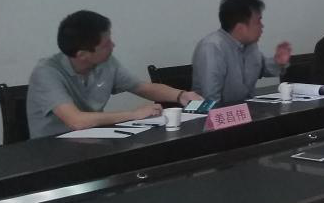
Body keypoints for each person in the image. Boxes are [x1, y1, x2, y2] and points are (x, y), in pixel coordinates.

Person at [27, 10, 202, 138]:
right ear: (82, 55)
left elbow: (142, 87)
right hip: (53, 150)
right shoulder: (46, 73)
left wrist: (181, 95)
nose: (113, 45)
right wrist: (134, 115)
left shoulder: (106, 62)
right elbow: (77, 121)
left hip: (93, 140)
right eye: (106, 44)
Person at [191, 0, 291, 104]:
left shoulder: (250, 46)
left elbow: (262, 68)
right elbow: (211, 99)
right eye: (258, 22)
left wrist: (278, 62)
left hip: (245, 109)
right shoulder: (212, 47)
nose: (262, 26)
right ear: (240, 28)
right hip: (213, 112)